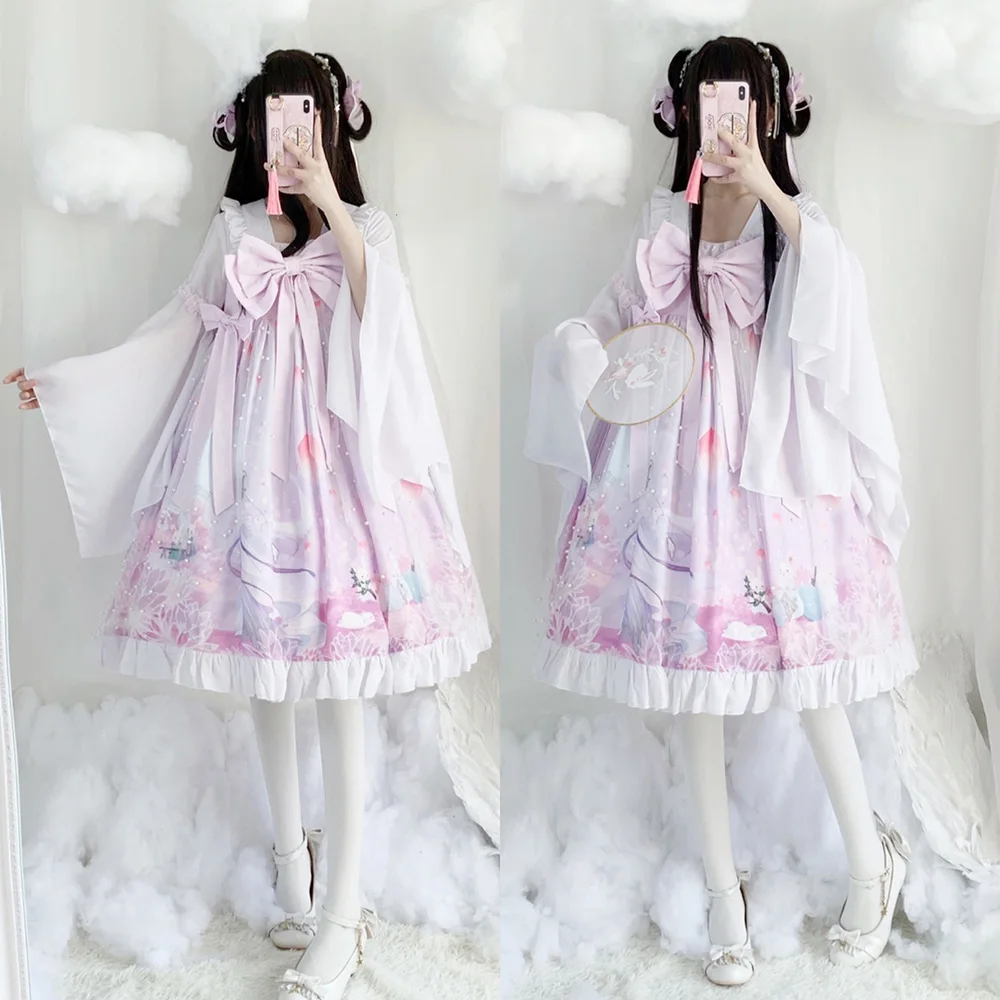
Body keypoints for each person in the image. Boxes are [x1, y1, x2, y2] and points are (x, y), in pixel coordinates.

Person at [6, 48, 490, 1000]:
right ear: (254, 129)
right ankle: (291, 866)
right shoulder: (232, 231)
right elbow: (174, 332)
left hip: (342, 478)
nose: (292, 135)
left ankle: (345, 912)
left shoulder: (367, 229)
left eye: (308, 117)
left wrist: (331, 205)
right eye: (277, 118)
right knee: (268, 668)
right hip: (244, 481)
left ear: (333, 125)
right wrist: (68, 385)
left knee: (341, 680)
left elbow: (383, 326)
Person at [524, 36, 915, 986]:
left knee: (811, 671)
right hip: (677, 474)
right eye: (712, 104)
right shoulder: (668, 227)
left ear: (769, 114)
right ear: (688, 114)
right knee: (687, 674)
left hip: (773, 474)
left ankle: (874, 865)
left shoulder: (797, 225)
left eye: (743, 105)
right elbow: (614, 316)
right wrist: (577, 342)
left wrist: (768, 187)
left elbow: (837, 299)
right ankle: (720, 889)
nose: (727, 122)